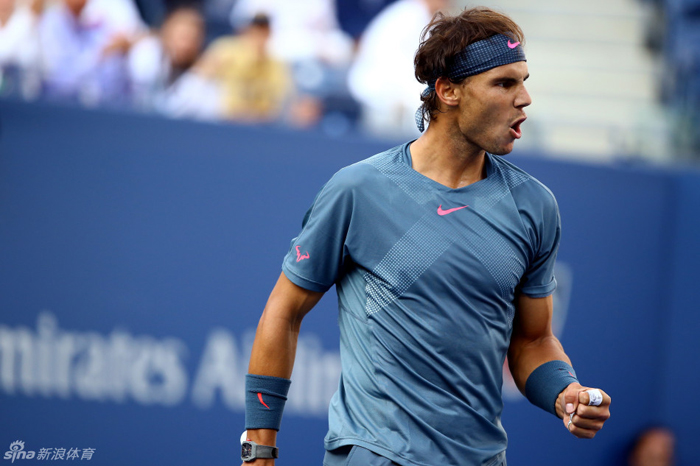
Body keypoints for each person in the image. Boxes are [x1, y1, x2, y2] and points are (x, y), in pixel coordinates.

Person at [239, 7, 612, 466]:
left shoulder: (534, 206)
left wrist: (565, 393)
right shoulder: (358, 189)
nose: (525, 98)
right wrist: (258, 449)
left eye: (524, 80)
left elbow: (533, 341)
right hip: (374, 454)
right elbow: (284, 312)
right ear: (448, 90)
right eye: (504, 83)